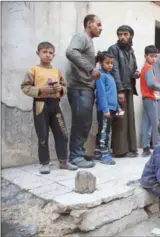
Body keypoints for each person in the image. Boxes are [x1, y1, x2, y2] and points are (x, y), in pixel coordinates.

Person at [20, 42, 78, 174]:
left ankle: (63, 161)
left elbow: (65, 87)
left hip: (55, 105)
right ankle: (45, 163)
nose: (48, 55)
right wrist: (40, 90)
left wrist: (60, 89)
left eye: (50, 53)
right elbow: (25, 87)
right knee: (43, 135)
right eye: (45, 52)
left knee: (62, 133)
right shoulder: (33, 70)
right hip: (40, 105)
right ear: (38, 53)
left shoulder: (57, 71)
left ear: (54, 55)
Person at [65, 14, 102, 168]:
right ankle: (75, 156)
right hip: (79, 88)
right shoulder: (81, 37)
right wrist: (91, 68)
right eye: (98, 24)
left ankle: (79, 152)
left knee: (85, 123)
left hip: (85, 88)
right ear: (89, 24)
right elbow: (71, 52)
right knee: (80, 123)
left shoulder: (88, 41)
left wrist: (95, 59)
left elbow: (80, 56)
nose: (101, 28)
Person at [108, 25, 140, 157]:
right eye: (120, 34)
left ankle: (131, 148)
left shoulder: (131, 51)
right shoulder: (113, 49)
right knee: (120, 120)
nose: (122, 37)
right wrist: (119, 90)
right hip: (119, 88)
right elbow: (114, 70)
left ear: (131, 36)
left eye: (125, 34)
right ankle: (120, 151)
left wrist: (136, 73)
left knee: (129, 119)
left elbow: (134, 67)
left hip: (128, 88)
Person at [94, 51, 124, 165]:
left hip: (111, 108)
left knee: (105, 130)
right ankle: (104, 154)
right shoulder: (100, 76)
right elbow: (101, 94)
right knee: (104, 131)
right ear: (101, 63)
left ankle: (98, 152)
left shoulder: (110, 76)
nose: (110, 65)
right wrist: (105, 109)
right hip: (104, 109)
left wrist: (118, 108)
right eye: (107, 63)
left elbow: (113, 94)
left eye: (111, 63)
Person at [140, 45, 160, 157]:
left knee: (146, 123)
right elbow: (151, 84)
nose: (154, 59)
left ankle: (145, 147)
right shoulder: (148, 68)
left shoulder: (146, 67)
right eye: (152, 56)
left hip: (147, 98)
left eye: (156, 56)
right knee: (156, 123)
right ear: (145, 56)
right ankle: (157, 147)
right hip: (151, 98)